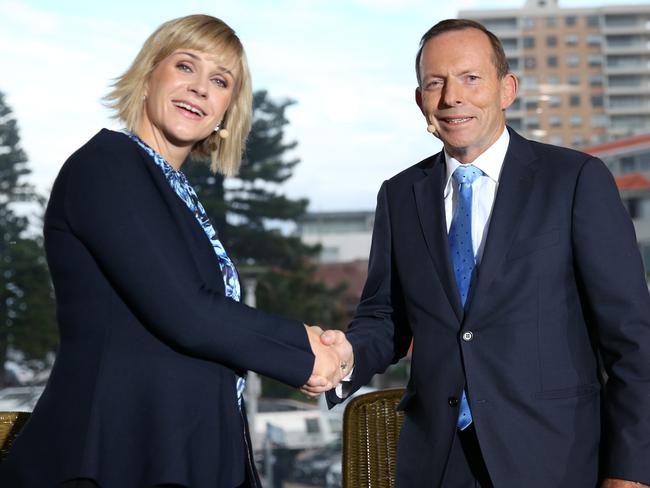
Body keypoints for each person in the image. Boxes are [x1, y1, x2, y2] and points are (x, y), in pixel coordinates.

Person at [0, 14, 345, 488]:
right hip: (113, 457)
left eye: (220, 81)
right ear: (147, 76)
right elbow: (186, 311)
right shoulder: (107, 167)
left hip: (184, 453)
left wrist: (303, 340)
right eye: (186, 66)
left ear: (227, 111)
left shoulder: (172, 189)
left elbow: (210, 314)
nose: (201, 88)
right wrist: (304, 356)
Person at [308, 18, 650, 488]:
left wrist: (630, 473)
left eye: (471, 78)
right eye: (435, 83)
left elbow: (632, 339)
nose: (452, 97)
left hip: (555, 459)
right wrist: (342, 356)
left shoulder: (575, 181)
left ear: (507, 89)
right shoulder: (399, 194)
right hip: (437, 464)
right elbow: (385, 318)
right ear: (420, 100)